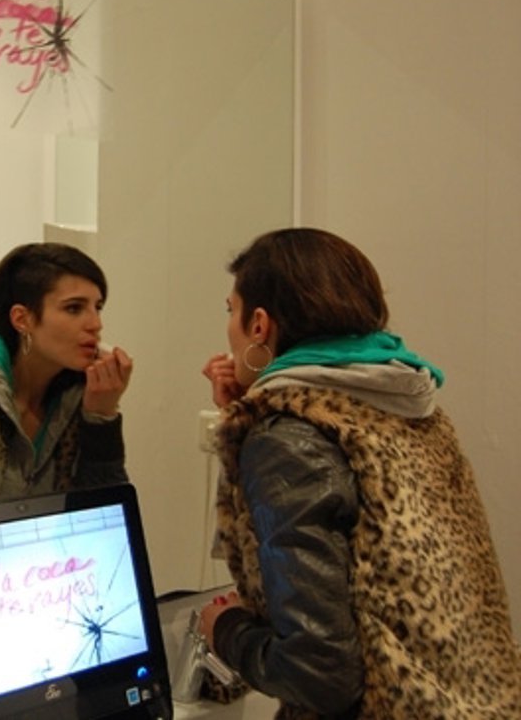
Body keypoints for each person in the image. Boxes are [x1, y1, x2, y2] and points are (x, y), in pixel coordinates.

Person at [198, 227, 521, 719]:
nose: (229, 328)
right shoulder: (412, 409)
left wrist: (226, 630)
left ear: (259, 325)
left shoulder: (288, 438)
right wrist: (247, 415)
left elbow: (318, 673)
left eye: (231, 310)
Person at [0, 242, 133, 504]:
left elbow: (106, 509)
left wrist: (101, 417)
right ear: (22, 319)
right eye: (74, 308)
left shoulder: (78, 391)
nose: (96, 324)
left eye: (97, 307)